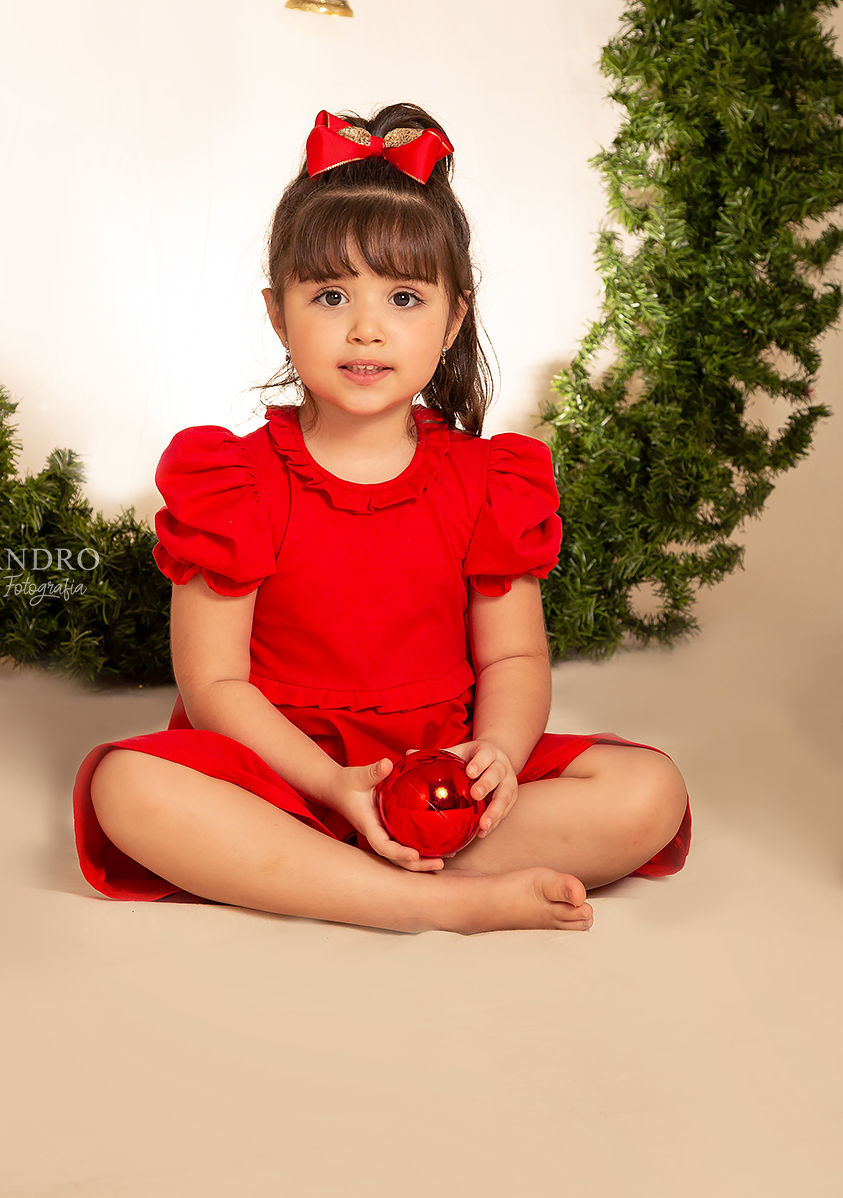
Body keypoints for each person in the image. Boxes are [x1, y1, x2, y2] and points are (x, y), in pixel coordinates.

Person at [74, 105, 691, 933]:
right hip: (283, 782)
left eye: (403, 297)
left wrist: (498, 756)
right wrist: (333, 785)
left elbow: (513, 655)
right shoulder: (234, 482)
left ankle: (329, 876)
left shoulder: (488, 480)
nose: (366, 328)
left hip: (440, 780)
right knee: (128, 788)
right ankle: (435, 900)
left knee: (648, 791)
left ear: (454, 317)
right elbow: (214, 683)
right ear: (277, 313)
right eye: (331, 295)